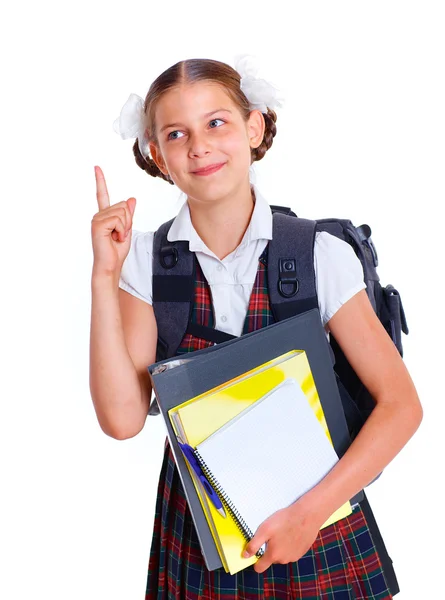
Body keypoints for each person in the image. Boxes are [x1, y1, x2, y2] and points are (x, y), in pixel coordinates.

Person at [89, 57, 422, 599]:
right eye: (177, 133)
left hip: (320, 525)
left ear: (255, 126)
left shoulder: (316, 253)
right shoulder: (143, 263)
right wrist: (105, 277)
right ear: (157, 154)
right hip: (203, 542)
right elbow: (123, 419)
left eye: (216, 122)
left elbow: (402, 406)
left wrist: (306, 514)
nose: (199, 146)